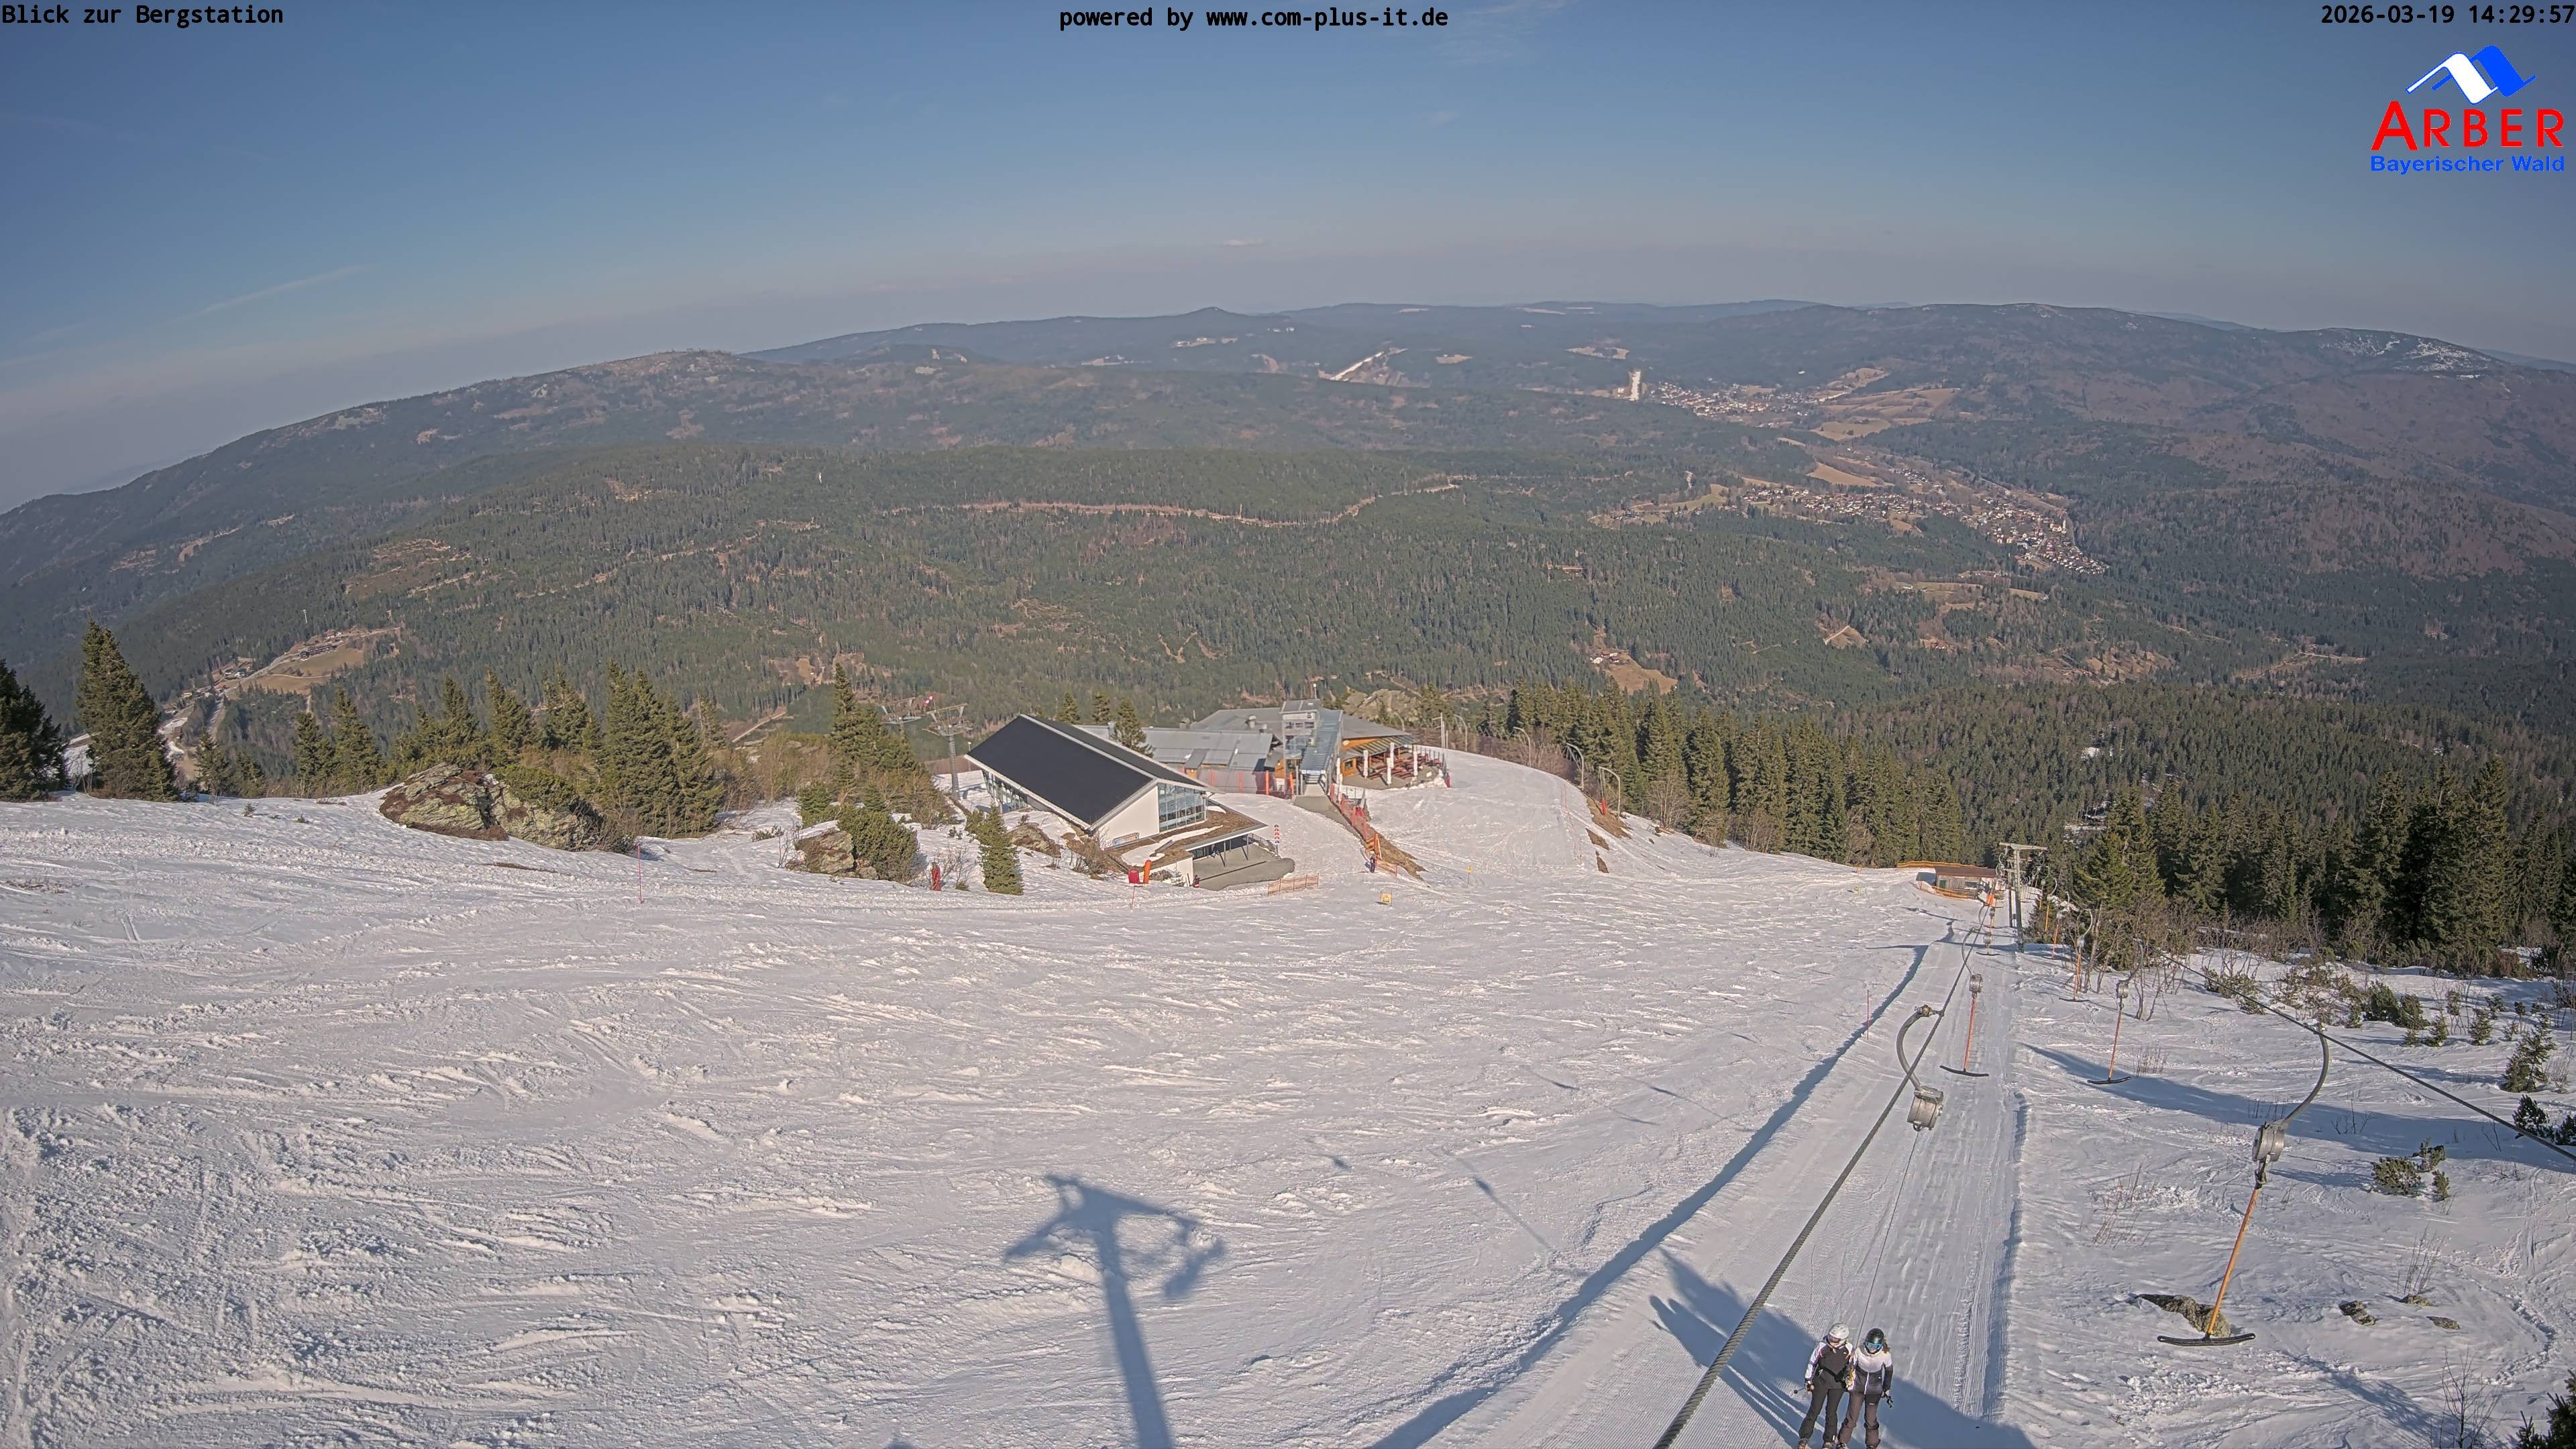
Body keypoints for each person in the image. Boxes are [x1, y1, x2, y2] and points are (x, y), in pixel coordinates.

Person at [1797, 1323, 1855, 1448]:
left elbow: (1851, 1367)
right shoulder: (1822, 1346)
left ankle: (1829, 1440)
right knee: (1815, 1409)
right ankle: (1804, 1437)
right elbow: (1812, 1363)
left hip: (1838, 1385)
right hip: (1821, 1382)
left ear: (1843, 1340)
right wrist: (1808, 1379)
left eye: (1835, 1339)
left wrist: (1849, 1378)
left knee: (1831, 1412)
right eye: (1831, 1337)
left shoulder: (1849, 1349)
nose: (1832, 1341)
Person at [1839, 1327, 1896, 1449]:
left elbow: (1889, 1371)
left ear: (1881, 1346)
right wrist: (1847, 1377)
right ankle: (1842, 1442)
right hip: (1858, 1388)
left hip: (1874, 1391)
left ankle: (1872, 1444)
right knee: (1852, 1416)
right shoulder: (1859, 1351)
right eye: (1869, 1345)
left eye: (1875, 1347)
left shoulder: (1885, 1355)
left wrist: (1886, 1388)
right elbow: (1851, 1366)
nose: (1871, 1349)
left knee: (1870, 1419)